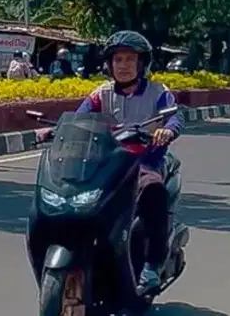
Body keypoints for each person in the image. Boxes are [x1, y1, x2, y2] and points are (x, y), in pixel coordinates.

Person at [37, 30, 183, 293]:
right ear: (109, 65)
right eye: (118, 60)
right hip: (107, 163)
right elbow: (79, 118)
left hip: (144, 163)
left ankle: (151, 265)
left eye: (130, 60)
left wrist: (168, 130)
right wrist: (56, 130)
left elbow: (174, 118)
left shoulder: (158, 92)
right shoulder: (101, 94)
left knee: (154, 193)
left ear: (141, 64)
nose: (123, 66)